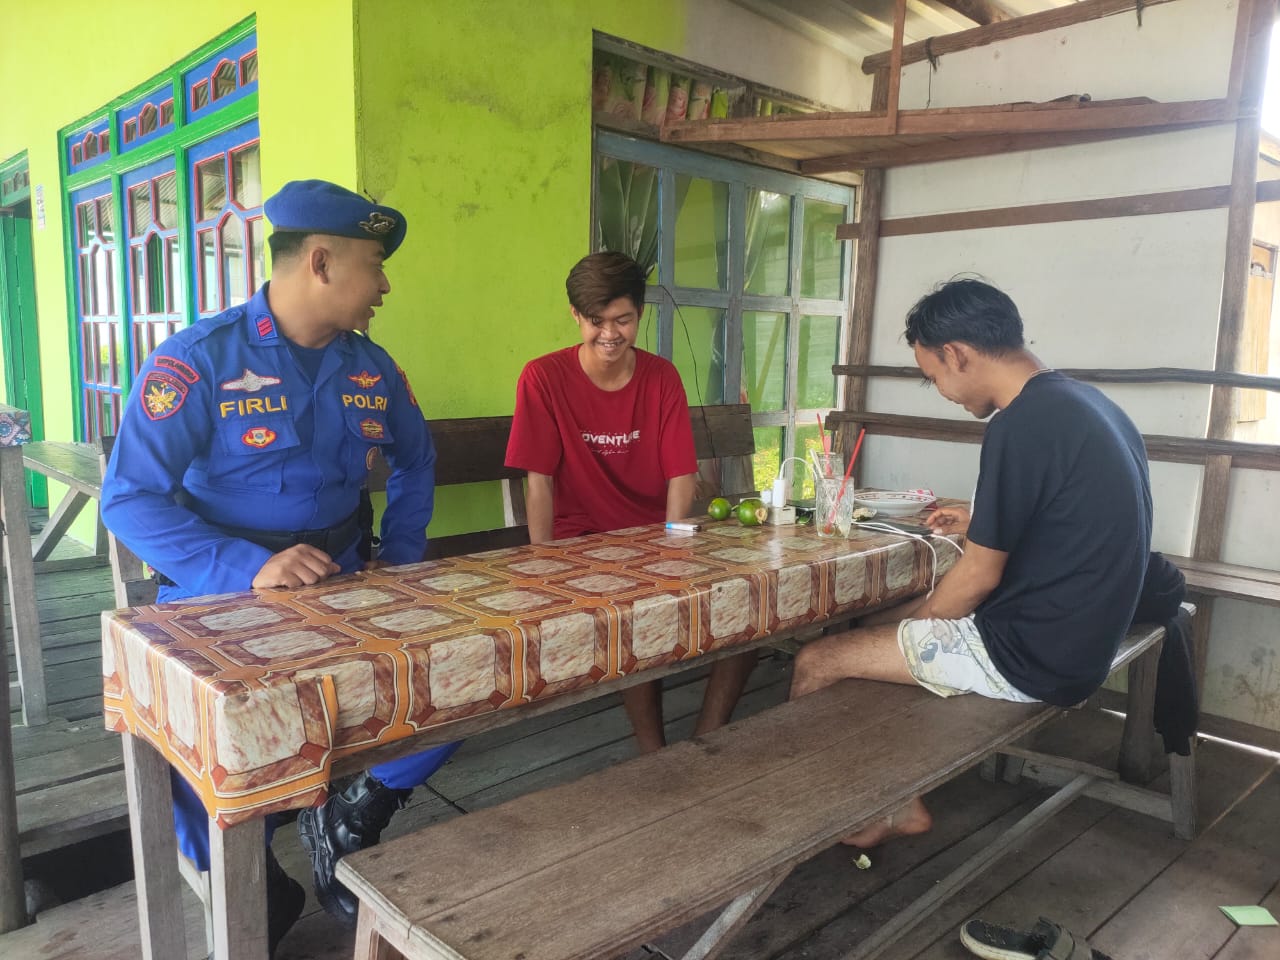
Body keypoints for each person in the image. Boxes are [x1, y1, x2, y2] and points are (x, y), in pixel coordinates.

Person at [100, 180, 460, 944]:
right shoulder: (197, 361)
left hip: (346, 587)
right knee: (216, 787)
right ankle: (255, 883)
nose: (387, 284)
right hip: (218, 603)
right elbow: (128, 500)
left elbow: (416, 463)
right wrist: (241, 565)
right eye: (376, 264)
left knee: (461, 682)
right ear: (322, 262)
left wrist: (399, 561)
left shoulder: (372, 367)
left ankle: (349, 816)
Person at [788, 278, 1152, 848]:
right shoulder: (1087, 403)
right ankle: (896, 799)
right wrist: (977, 524)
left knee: (818, 658)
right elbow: (1064, 512)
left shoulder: (1019, 423)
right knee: (877, 627)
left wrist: (913, 625)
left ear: (956, 353)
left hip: (1034, 656)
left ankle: (841, 816)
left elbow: (979, 576)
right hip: (1083, 637)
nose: (944, 392)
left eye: (934, 377)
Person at [504, 251, 758, 753]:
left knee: (749, 597)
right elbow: (539, 483)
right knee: (637, 614)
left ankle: (709, 733)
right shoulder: (543, 378)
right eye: (595, 321)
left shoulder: (661, 377)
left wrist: (671, 545)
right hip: (584, 542)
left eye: (623, 320)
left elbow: (681, 475)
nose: (610, 334)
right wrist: (544, 560)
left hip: (653, 533)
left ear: (640, 315)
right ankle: (652, 749)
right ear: (575, 315)